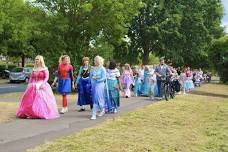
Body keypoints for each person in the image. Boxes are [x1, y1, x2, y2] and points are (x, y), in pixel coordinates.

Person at [90, 56, 107, 120]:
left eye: (96, 60)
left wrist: (97, 78)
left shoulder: (103, 69)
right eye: (94, 60)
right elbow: (90, 76)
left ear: (99, 61)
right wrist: (92, 80)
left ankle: (101, 110)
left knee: (98, 98)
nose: (94, 62)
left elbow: (104, 78)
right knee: (95, 98)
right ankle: (97, 112)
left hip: (100, 85)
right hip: (94, 85)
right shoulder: (93, 68)